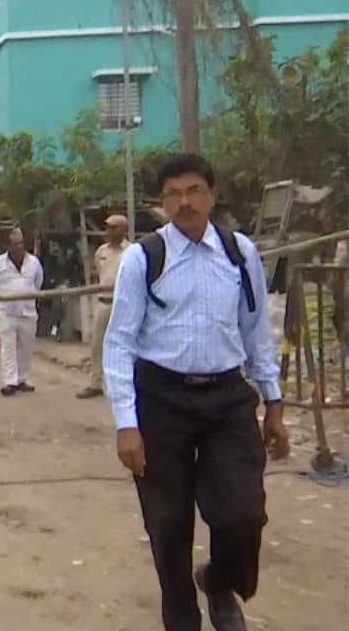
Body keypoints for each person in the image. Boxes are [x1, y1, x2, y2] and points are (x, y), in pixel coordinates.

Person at [104, 154, 288, 631]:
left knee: (243, 512)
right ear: (162, 202)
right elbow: (120, 343)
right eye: (173, 194)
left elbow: (256, 333)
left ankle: (223, 582)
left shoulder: (239, 251)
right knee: (168, 527)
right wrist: (128, 424)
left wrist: (274, 403)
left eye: (193, 191)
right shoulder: (143, 259)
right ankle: (182, 621)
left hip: (227, 398)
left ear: (212, 194)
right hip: (161, 401)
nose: (184, 202)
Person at [0, 228, 43, 397]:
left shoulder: (34, 262)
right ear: (8, 245)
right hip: (6, 312)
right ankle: (10, 382)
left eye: (21, 243)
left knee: (26, 346)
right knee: (8, 347)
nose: (19, 247)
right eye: (15, 243)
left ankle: (22, 379)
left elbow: (38, 283)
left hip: (28, 311)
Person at [78, 215, 130, 400]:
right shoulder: (101, 251)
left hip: (122, 304)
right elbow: (99, 273)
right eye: (108, 227)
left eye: (113, 228)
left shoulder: (132, 252)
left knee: (122, 346)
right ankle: (95, 384)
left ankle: (122, 385)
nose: (109, 231)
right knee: (97, 345)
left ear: (123, 230)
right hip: (102, 302)